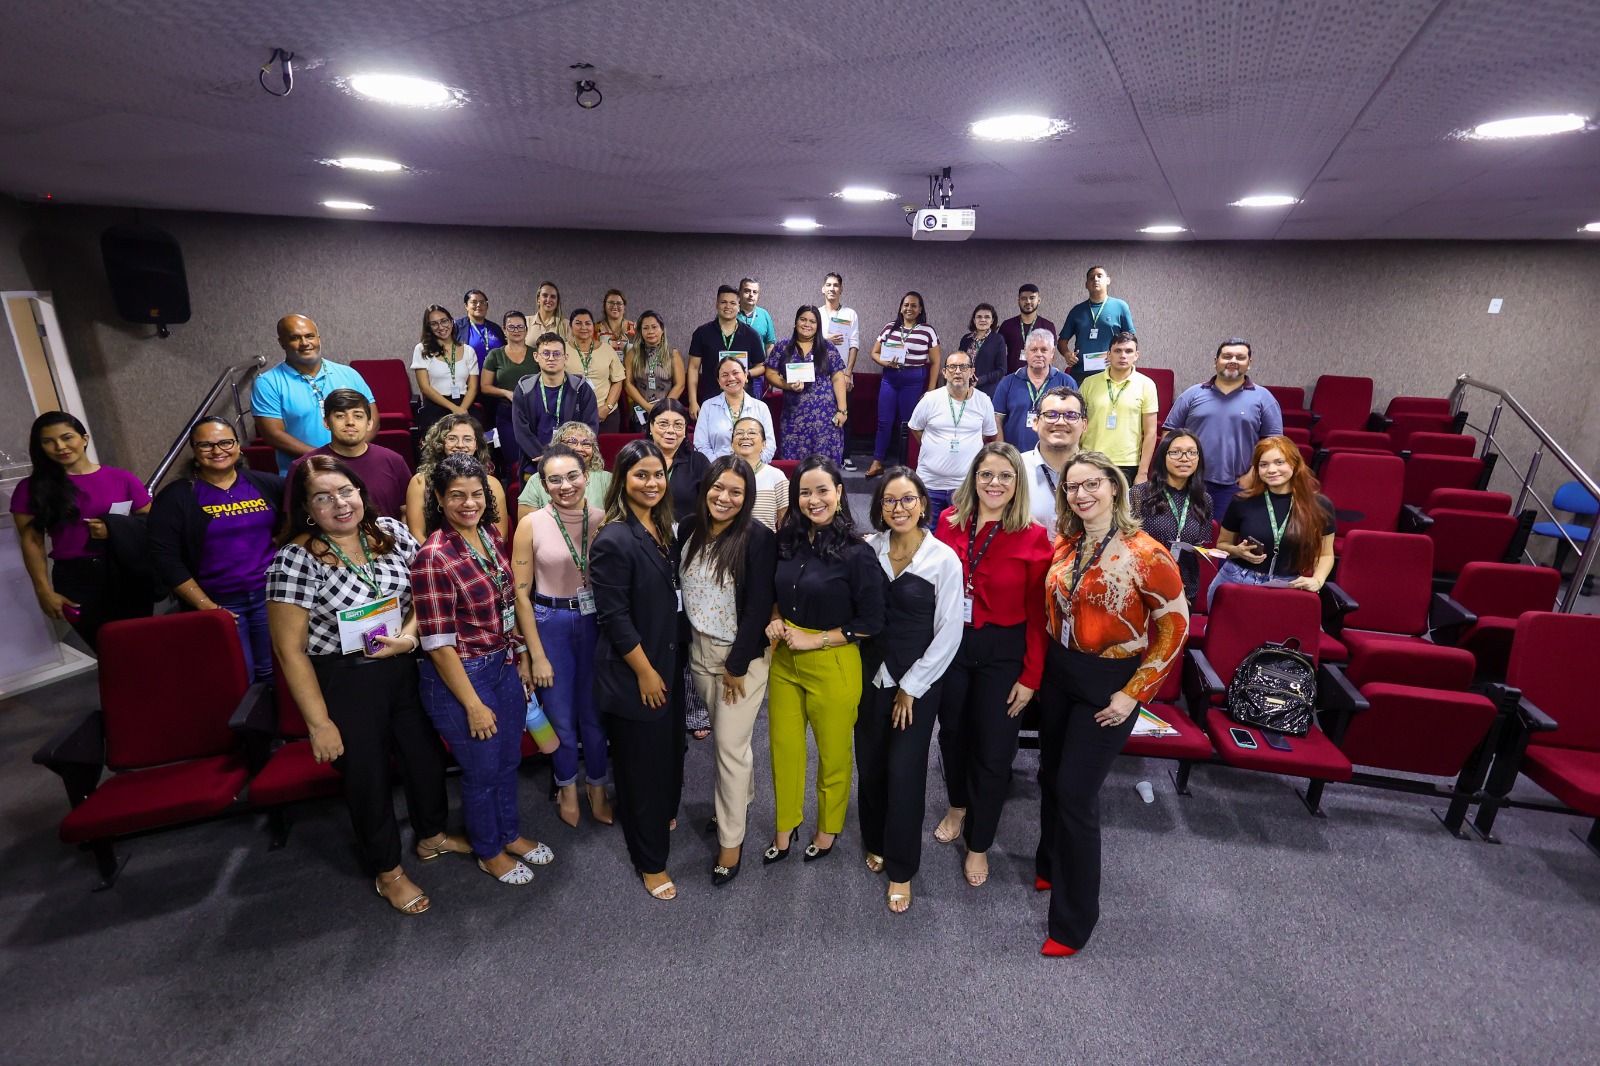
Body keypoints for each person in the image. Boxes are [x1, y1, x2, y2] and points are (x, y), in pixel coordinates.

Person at [266, 455, 467, 916]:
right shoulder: (295, 559)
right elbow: (289, 651)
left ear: (361, 492)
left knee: (424, 758)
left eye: (345, 491)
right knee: (368, 777)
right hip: (347, 679)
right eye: (323, 497)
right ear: (305, 507)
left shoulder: (392, 533)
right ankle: (387, 870)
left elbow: (425, 593)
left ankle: (432, 834)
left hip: (402, 665)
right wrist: (319, 725)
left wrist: (410, 637)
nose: (339, 504)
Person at [1037, 451, 1187, 956]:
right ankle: (1049, 864)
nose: (1082, 494)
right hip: (1060, 673)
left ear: (1115, 488)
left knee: (1076, 794)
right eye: (1072, 488)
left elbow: (1174, 629)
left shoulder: (1148, 553)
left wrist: (1133, 695)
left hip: (1110, 684)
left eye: (1091, 484)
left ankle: (1074, 922)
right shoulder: (1066, 542)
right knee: (1049, 776)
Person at [412, 454, 552, 885]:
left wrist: (524, 655)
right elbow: (437, 644)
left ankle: (509, 833)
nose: (469, 503)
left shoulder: (490, 534)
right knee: (481, 768)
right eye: (457, 496)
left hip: (503, 662)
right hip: (462, 676)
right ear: (438, 498)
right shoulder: (432, 557)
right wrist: (472, 704)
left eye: (477, 494)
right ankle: (488, 850)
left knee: (508, 759)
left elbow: (508, 604)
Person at [930, 443, 1052, 887]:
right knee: (954, 735)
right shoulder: (948, 523)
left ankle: (979, 843)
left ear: (1017, 483)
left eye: (1005, 476)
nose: (994, 484)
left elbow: (1040, 616)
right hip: (953, 646)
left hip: (1004, 651)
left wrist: (1031, 676)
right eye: (986, 475)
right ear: (973, 479)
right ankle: (958, 805)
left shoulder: (1034, 536)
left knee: (996, 749)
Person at [763, 458, 886, 865]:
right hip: (786, 661)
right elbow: (775, 591)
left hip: (833, 660)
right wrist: (776, 617)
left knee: (833, 755)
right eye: (804, 492)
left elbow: (871, 622)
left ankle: (828, 827)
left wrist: (814, 639)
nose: (813, 500)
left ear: (839, 492)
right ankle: (786, 823)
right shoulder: (787, 540)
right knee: (783, 749)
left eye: (822, 491)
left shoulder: (857, 553)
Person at [856, 468, 962, 913]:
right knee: (871, 766)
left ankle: (902, 869)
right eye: (889, 501)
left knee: (905, 773)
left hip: (917, 687)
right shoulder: (867, 550)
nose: (898, 509)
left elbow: (949, 632)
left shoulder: (942, 560)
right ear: (879, 507)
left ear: (923, 503)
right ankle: (875, 839)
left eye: (907, 500)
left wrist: (911, 688)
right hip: (866, 681)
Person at [590, 439, 685, 900]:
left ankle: (659, 813)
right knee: (640, 767)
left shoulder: (662, 526)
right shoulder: (613, 537)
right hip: (636, 671)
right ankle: (650, 861)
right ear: (622, 479)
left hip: (667, 660)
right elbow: (614, 617)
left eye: (658, 474)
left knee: (666, 753)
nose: (651, 483)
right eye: (641, 475)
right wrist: (646, 672)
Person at [677, 456, 777, 886]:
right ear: (706, 487)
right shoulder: (688, 528)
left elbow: (757, 607)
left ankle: (730, 843)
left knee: (729, 750)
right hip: (699, 652)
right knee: (729, 743)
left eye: (736, 491)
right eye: (718, 488)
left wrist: (737, 664)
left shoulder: (758, 538)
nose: (725, 497)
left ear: (747, 496)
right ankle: (740, 802)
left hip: (741, 660)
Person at [512, 443, 612, 827]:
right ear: (544, 484)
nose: (565, 485)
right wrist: (534, 654)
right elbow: (520, 593)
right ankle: (567, 786)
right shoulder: (531, 523)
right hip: (549, 622)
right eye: (554, 479)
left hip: (594, 623)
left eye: (572, 476)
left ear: (587, 476)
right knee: (561, 715)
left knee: (594, 714)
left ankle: (598, 788)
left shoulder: (604, 519)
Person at [148, 416, 285, 681]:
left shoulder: (265, 484)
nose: (218, 450)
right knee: (237, 674)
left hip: (269, 595)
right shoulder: (177, 496)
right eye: (206, 445)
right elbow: (164, 557)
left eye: (225, 442)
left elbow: (296, 520)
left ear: (237, 445)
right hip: (219, 602)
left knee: (275, 672)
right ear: (195, 451)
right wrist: (206, 606)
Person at [13, 412, 153, 650]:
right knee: (109, 650)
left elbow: (152, 522)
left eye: (67, 437)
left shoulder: (121, 478)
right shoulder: (31, 488)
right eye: (48, 441)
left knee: (141, 645)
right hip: (77, 578)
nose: (59, 446)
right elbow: (32, 541)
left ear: (84, 439)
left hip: (127, 570)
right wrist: (43, 590)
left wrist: (114, 529)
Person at [1163, 338, 1284, 518]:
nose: (1233, 361)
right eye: (1227, 356)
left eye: (1240, 357)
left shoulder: (1263, 398)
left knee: (1221, 540)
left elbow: (1274, 444)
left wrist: (1252, 474)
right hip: (1188, 481)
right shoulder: (1193, 394)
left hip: (1235, 485)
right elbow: (1169, 433)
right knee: (1182, 534)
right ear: (1216, 361)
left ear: (1249, 363)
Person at [253, 314, 375, 473]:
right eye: (294, 338)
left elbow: (372, 420)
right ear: (282, 342)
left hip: (354, 469)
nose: (304, 343)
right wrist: (325, 459)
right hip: (303, 474)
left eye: (309, 336)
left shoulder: (349, 374)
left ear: (318, 338)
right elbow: (273, 435)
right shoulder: (267, 383)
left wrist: (351, 455)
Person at [1212, 436, 1336, 593]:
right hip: (1237, 579)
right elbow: (1222, 544)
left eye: (1279, 462)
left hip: (1288, 584)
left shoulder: (1320, 505)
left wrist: (1318, 579)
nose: (1271, 470)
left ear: (1295, 464)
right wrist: (1238, 551)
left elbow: (1325, 554)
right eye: (1263, 465)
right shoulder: (1242, 501)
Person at [907, 350, 998, 525]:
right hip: (929, 483)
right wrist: (932, 445)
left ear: (972, 371)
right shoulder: (930, 399)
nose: (957, 372)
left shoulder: (983, 401)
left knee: (959, 538)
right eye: (952, 367)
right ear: (944, 372)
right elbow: (916, 428)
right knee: (926, 536)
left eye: (963, 367)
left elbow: (988, 434)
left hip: (964, 486)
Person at [292, 389, 412, 518]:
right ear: (326, 423)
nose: (350, 422)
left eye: (358, 416)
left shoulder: (394, 461)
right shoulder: (304, 467)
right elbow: (293, 522)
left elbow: (407, 512)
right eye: (340, 416)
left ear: (369, 424)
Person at [1130, 431, 1214, 606]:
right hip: (1145, 586)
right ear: (1163, 456)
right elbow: (1128, 544)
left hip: (1186, 587)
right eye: (1175, 452)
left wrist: (1206, 553)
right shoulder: (1139, 493)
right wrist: (1166, 585)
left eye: (1192, 452)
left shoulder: (1204, 500)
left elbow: (1199, 545)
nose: (1184, 458)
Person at [864, 292, 940, 478]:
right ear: (900, 307)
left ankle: (906, 465)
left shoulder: (927, 330)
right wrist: (885, 363)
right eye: (906, 305)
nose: (909, 308)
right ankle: (877, 461)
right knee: (884, 421)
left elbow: (936, 361)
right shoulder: (890, 328)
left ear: (920, 309)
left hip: (914, 380)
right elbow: (874, 352)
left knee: (908, 424)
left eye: (914, 305)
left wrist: (930, 390)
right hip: (890, 378)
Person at [405, 415, 509, 545]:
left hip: (483, 556)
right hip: (436, 557)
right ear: (440, 443)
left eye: (467, 439)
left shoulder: (492, 483)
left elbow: (500, 534)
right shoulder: (420, 482)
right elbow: (416, 534)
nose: (460, 445)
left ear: (476, 445)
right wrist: (444, 558)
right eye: (452, 439)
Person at [764, 305, 848, 464]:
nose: (807, 324)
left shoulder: (827, 347)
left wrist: (842, 410)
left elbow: (838, 377)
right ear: (796, 322)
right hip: (793, 417)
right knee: (793, 467)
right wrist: (788, 385)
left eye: (812, 321)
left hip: (824, 418)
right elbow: (770, 373)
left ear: (818, 326)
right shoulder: (782, 346)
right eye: (803, 319)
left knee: (823, 467)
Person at [1079, 332, 1159, 485]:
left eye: (1128, 351)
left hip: (1127, 463)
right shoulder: (1089, 383)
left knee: (1123, 509)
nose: (1123, 355)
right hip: (1090, 459)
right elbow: (1076, 424)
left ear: (1136, 355)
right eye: (1117, 351)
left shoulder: (1146, 385)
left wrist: (1142, 472)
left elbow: (1151, 432)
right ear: (1108, 355)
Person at [511, 331, 600, 469]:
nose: (551, 358)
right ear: (536, 357)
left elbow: (590, 427)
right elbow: (521, 431)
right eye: (545, 353)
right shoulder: (524, 389)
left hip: (574, 459)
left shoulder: (581, 389)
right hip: (536, 460)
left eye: (557, 354)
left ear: (566, 357)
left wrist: (566, 456)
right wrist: (546, 457)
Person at [687, 286, 764, 421]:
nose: (728, 306)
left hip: (743, 401)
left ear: (739, 306)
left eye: (733, 303)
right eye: (723, 302)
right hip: (711, 399)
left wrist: (747, 373)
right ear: (717, 304)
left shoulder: (751, 335)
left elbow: (762, 366)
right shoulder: (702, 333)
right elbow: (693, 368)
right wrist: (693, 401)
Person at [993, 328, 1073, 454]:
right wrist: (1002, 453)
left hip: (1055, 456)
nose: (1039, 354)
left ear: (1052, 352)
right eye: (1034, 350)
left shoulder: (1066, 382)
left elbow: (1075, 420)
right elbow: (997, 419)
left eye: (1044, 350)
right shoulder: (1008, 382)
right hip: (1015, 457)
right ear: (1026, 352)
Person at [480, 310, 538, 478]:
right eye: (511, 327)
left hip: (534, 414)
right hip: (507, 414)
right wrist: (506, 392)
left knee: (536, 460)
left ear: (526, 330)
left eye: (520, 326)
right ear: (504, 330)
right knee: (512, 463)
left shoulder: (536, 354)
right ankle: (512, 500)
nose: (516, 330)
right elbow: (485, 387)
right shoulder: (495, 355)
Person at [1021, 385, 1087, 527]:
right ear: (1036, 423)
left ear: (1084, 425)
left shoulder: (1102, 473)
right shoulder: (1014, 469)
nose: (1061, 422)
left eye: (1071, 415)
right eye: (1051, 415)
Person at [412, 304, 480, 435]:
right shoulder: (422, 349)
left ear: (451, 321)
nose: (441, 327)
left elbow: (473, 387)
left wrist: (461, 410)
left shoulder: (469, 351)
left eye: (444, 321)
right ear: (429, 328)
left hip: (464, 405)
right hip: (436, 406)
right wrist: (453, 408)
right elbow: (425, 387)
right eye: (434, 324)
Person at [1060, 266, 1135, 383]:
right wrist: (1067, 354)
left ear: (1108, 280)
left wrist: (1121, 359)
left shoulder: (1120, 306)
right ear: (1086, 284)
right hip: (1081, 373)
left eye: (1099, 276)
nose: (1095, 279)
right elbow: (1062, 341)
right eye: (1091, 278)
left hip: (1111, 372)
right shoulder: (1077, 310)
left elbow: (1131, 341)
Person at [694, 355, 775, 462]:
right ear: (719, 382)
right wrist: (719, 466)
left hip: (754, 472)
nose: (731, 378)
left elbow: (769, 446)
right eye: (724, 375)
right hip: (717, 471)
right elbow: (700, 445)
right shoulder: (708, 406)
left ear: (746, 376)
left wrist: (753, 466)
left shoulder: (761, 407)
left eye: (735, 373)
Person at [518, 421, 612, 512]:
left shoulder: (607, 479)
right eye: (572, 442)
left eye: (586, 444)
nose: (579, 448)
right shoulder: (536, 480)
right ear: (557, 446)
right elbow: (528, 524)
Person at [646, 399, 709, 519]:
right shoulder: (637, 459)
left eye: (678, 425)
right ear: (651, 426)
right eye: (663, 424)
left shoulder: (698, 462)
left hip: (686, 534)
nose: (670, 430)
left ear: (685, 430)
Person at [567, 308, 627, 433]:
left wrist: (607, 407)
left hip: (605, 415)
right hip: (572, 414)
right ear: (570, 327)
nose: (584, 327)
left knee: (606, 451)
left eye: (588, 323)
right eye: (578, 323)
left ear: (593, 327)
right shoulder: (562, 350)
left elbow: (618, 381)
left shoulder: (607, 349)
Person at [622, 311, 684, 430]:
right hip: (641, 412)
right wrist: (647, 407)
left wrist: (663, 407)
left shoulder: (673, 354)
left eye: (654, 327)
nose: (650, 331)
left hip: (667, 412)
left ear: (662, 330)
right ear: (640, 332)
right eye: (645, 328)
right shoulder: (632, 354)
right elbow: (627, 384)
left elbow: (680, 385)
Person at [730, 416, 788, 530]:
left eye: (752, 433)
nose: (745, 436)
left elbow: (785, 525)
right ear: (732, 444)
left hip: (764, 545)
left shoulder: (776, 476)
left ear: (763, 444)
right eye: (739, 433)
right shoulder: (723, 475)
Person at [998, 283, 1057, 374]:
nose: (1028, 301)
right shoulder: (1007, 325)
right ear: (1018, 301)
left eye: (1032, 298)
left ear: (1039, 300)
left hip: (1039, 376)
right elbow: (998, 353)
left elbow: (1051, 355)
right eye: (1024, 298)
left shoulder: (1048, 326)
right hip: (1013, 377)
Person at [820, 271, 861, 390]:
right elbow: (808, 343)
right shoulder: (815, 314)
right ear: (823, 289)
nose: (832, 288)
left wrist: (848, 374)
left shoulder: (850, 314)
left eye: (836, 285)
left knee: (842, 408)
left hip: (841, 374)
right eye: (828, 285)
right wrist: (826, 340)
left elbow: (854, 345)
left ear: (841, 289)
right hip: (819, 374)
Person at [961, 303, 1008, 396]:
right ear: (974, 320)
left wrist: (980, 380)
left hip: (987, 390)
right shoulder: (966, 339)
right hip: (965, 388)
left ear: (992, 320)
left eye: (987, 317)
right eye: (979, 317)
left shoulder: (998, 340)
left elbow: (1002, 370)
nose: (983, 320)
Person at [454, 289, 506, 370]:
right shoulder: (456, 327)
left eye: (482, 302)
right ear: (466, 306)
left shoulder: (496, 328)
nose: (478, 305)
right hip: (468, 380)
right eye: (474, 302)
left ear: (487, 306)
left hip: (494, 380)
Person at [737, 277, 777, 359]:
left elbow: (769, 345)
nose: (751, 295)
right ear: (739, 293)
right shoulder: (730, 313)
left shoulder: (764, 314)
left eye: (755, 292)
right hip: (733, 366)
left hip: (759, 367)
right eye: (747, 291)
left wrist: (770, 367)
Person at [527, 281, 572, 346]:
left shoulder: (566, 325)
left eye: (553, 297)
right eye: (545, 295)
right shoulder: (526, 322)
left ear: (557, 301)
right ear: (538, 299)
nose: (548, 300)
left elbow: (570, 352)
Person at [596, 289, 637, 353]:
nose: (615, 306)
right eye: (611, 303)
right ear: (605, 306)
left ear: (624, 307)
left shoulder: (634, 328)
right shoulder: (596, 328)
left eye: (619, 303)